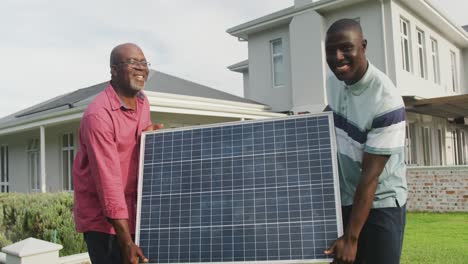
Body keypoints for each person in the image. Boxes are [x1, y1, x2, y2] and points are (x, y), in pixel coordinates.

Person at [323, 19, 407, 264]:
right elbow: (334, 113)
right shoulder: (334, 82)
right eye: (330, 50)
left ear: (363, 46)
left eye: (346, 48)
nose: (337, 57)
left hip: (381, 203)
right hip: (347, 197)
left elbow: (370, 177)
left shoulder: (386, 101)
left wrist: (351, 238)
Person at [73, 43, 162, 264]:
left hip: (133, 212)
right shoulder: (99, 115)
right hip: (104, 222)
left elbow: (133, 147)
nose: (141, 68)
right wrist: (126, 242)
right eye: (133, 62)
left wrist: (150, 138)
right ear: (113, 70)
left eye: (144, 63)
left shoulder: (142, 101)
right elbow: (108, 183)